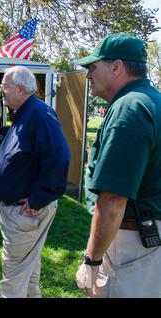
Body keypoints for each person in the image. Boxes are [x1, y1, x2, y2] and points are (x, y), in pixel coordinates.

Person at [75, 33, 161, 298]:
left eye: (92, 67)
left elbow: (113, 200)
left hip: (133, 243)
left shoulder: (130, 107)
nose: (88, 75)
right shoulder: (152, 99)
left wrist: (92, 259)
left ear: (116, 67)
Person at [0, 66, 70, 298]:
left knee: (13, 277)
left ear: (19, 88)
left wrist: (38, 198)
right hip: (19, 211)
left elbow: (59, 159)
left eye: (4, 86)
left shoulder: (39, 114)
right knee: (29, 272)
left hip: (25, 211)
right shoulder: (25, 113)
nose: (0, 90)